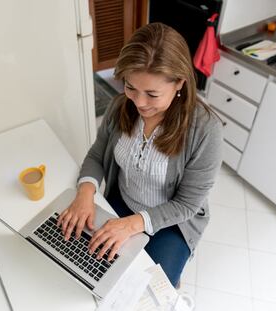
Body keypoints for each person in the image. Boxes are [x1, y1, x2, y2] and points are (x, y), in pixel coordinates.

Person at [58, 22, 223, 287]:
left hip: (172, 223)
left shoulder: (206, 130)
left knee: (150, 288)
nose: (139, 102)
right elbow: (97, 155)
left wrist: (133, 224)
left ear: (179, 83)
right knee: (91, 267)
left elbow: (187, 205)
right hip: (123, 202)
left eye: (152, 94)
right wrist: (85, 193)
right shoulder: (120, 106)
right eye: (130, 87)